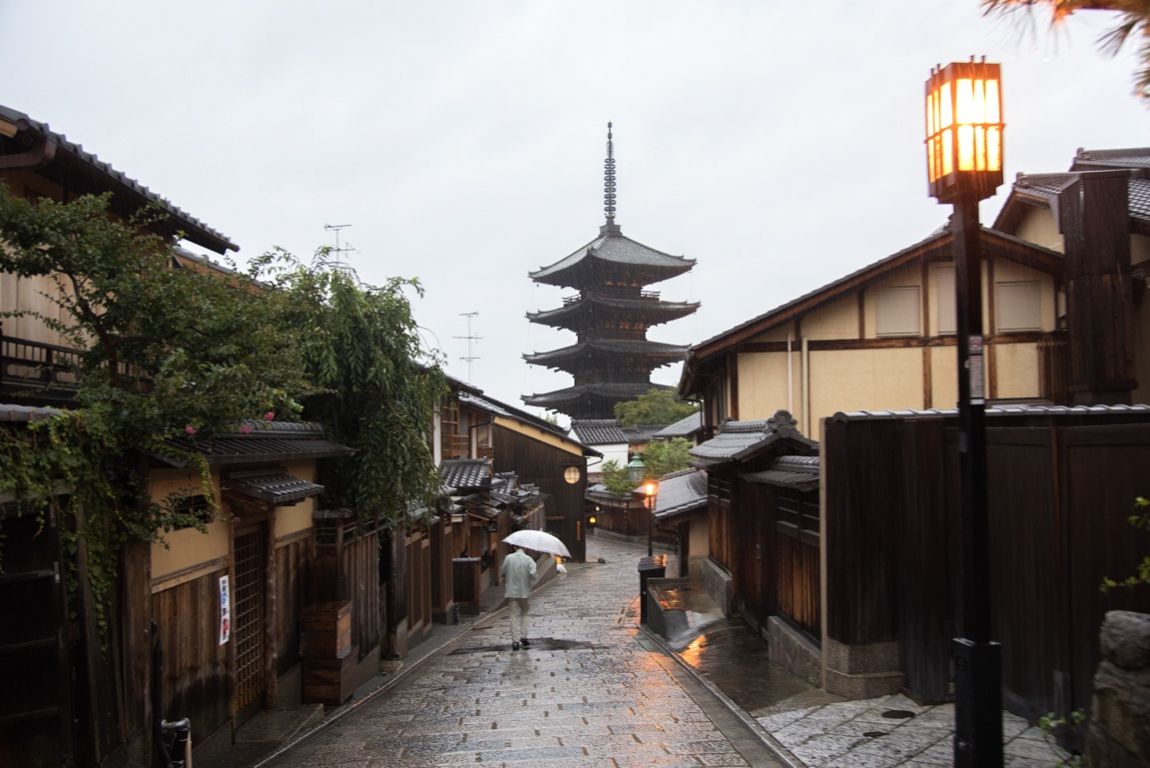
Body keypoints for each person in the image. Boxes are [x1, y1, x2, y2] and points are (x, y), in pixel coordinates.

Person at [500, 545, 537, 650]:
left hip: (511, 592)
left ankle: (515, 641)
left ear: (514, 547)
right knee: (525, 613)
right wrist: (530, 581)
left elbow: (503, 572)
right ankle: (524, 637)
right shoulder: (528, 559)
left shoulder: (508, 558)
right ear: (525, 548)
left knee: (513, 616)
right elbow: (533, 574)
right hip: (524, 592)